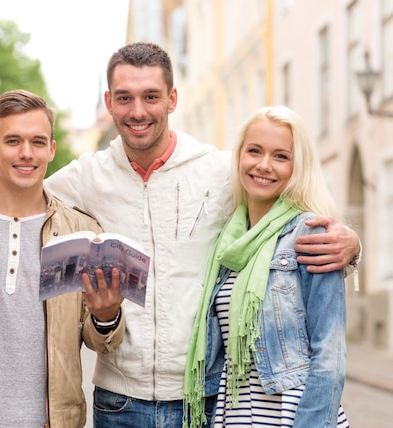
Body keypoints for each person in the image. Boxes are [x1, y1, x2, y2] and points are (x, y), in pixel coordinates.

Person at [44, 42, 360, 427]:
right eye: (125, 98)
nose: (138, 111)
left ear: (172, 99)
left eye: (151, 97)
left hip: (202, 400)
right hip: (119, 401)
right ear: (109, 102)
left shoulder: (220, 170)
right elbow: (24, 202)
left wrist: (351, 243)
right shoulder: (87, 176)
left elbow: (284, 207)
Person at [0, 89, 125, 427]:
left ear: (51, 149)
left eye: (37, 142)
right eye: (13, 141)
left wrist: (106, 315)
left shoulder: (82, 233)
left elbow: (101, 342)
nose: (26, 153)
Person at [184, 105, 349, 427]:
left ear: (297, 166)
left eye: (280, 156)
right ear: (239, 157)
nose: (263, 165)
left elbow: (329, 356)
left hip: (293, 417)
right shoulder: (227, 242)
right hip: (233, 416)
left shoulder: (311, 235)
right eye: (254, 151)